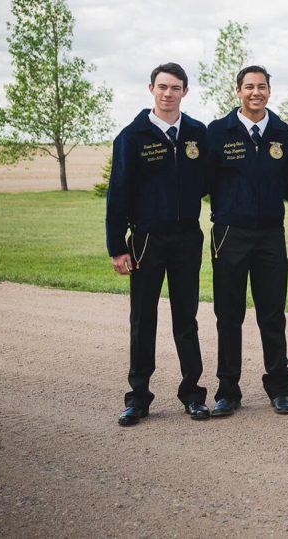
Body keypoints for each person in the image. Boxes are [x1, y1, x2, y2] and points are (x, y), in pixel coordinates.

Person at [106, 62, 210, 426]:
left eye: (176, 87)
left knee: (187, 318)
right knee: (142, 319)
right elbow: (117, 194)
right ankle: (138, 398)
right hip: (147, 239)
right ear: (151, 89)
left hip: (187, 239)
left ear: (185, 92)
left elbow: (213, 181)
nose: (169, 93)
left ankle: (193, 394)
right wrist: (117, 246)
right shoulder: (131, 137)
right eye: (162, 87)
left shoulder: (197, 133)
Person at [205, 65, 288, 418]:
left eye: (261, 87)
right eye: (249, 87)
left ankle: (279, 388)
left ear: (269, 92)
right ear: (238, 92)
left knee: (272, 314)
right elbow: (203, 181)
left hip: (271, 235)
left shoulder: (281, 133)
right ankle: (228, 390)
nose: (255, 92)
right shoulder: (218, 132)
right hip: (230, 234)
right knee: (228, 315)